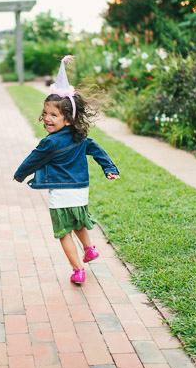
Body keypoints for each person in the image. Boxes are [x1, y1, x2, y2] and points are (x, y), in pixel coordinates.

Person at [14, 55, 120, 284]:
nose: (47, 119)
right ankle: (89, 248)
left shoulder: (49, 143)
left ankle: (77, 269)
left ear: (68, 119)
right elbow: (98, 150)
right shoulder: (81, 138)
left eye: (53, 115)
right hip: (81, 189)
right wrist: (109, 167)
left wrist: (20, 174)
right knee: (79, 222)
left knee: (64, 233)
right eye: (45, 114)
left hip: (61, 192)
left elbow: (33, 159)